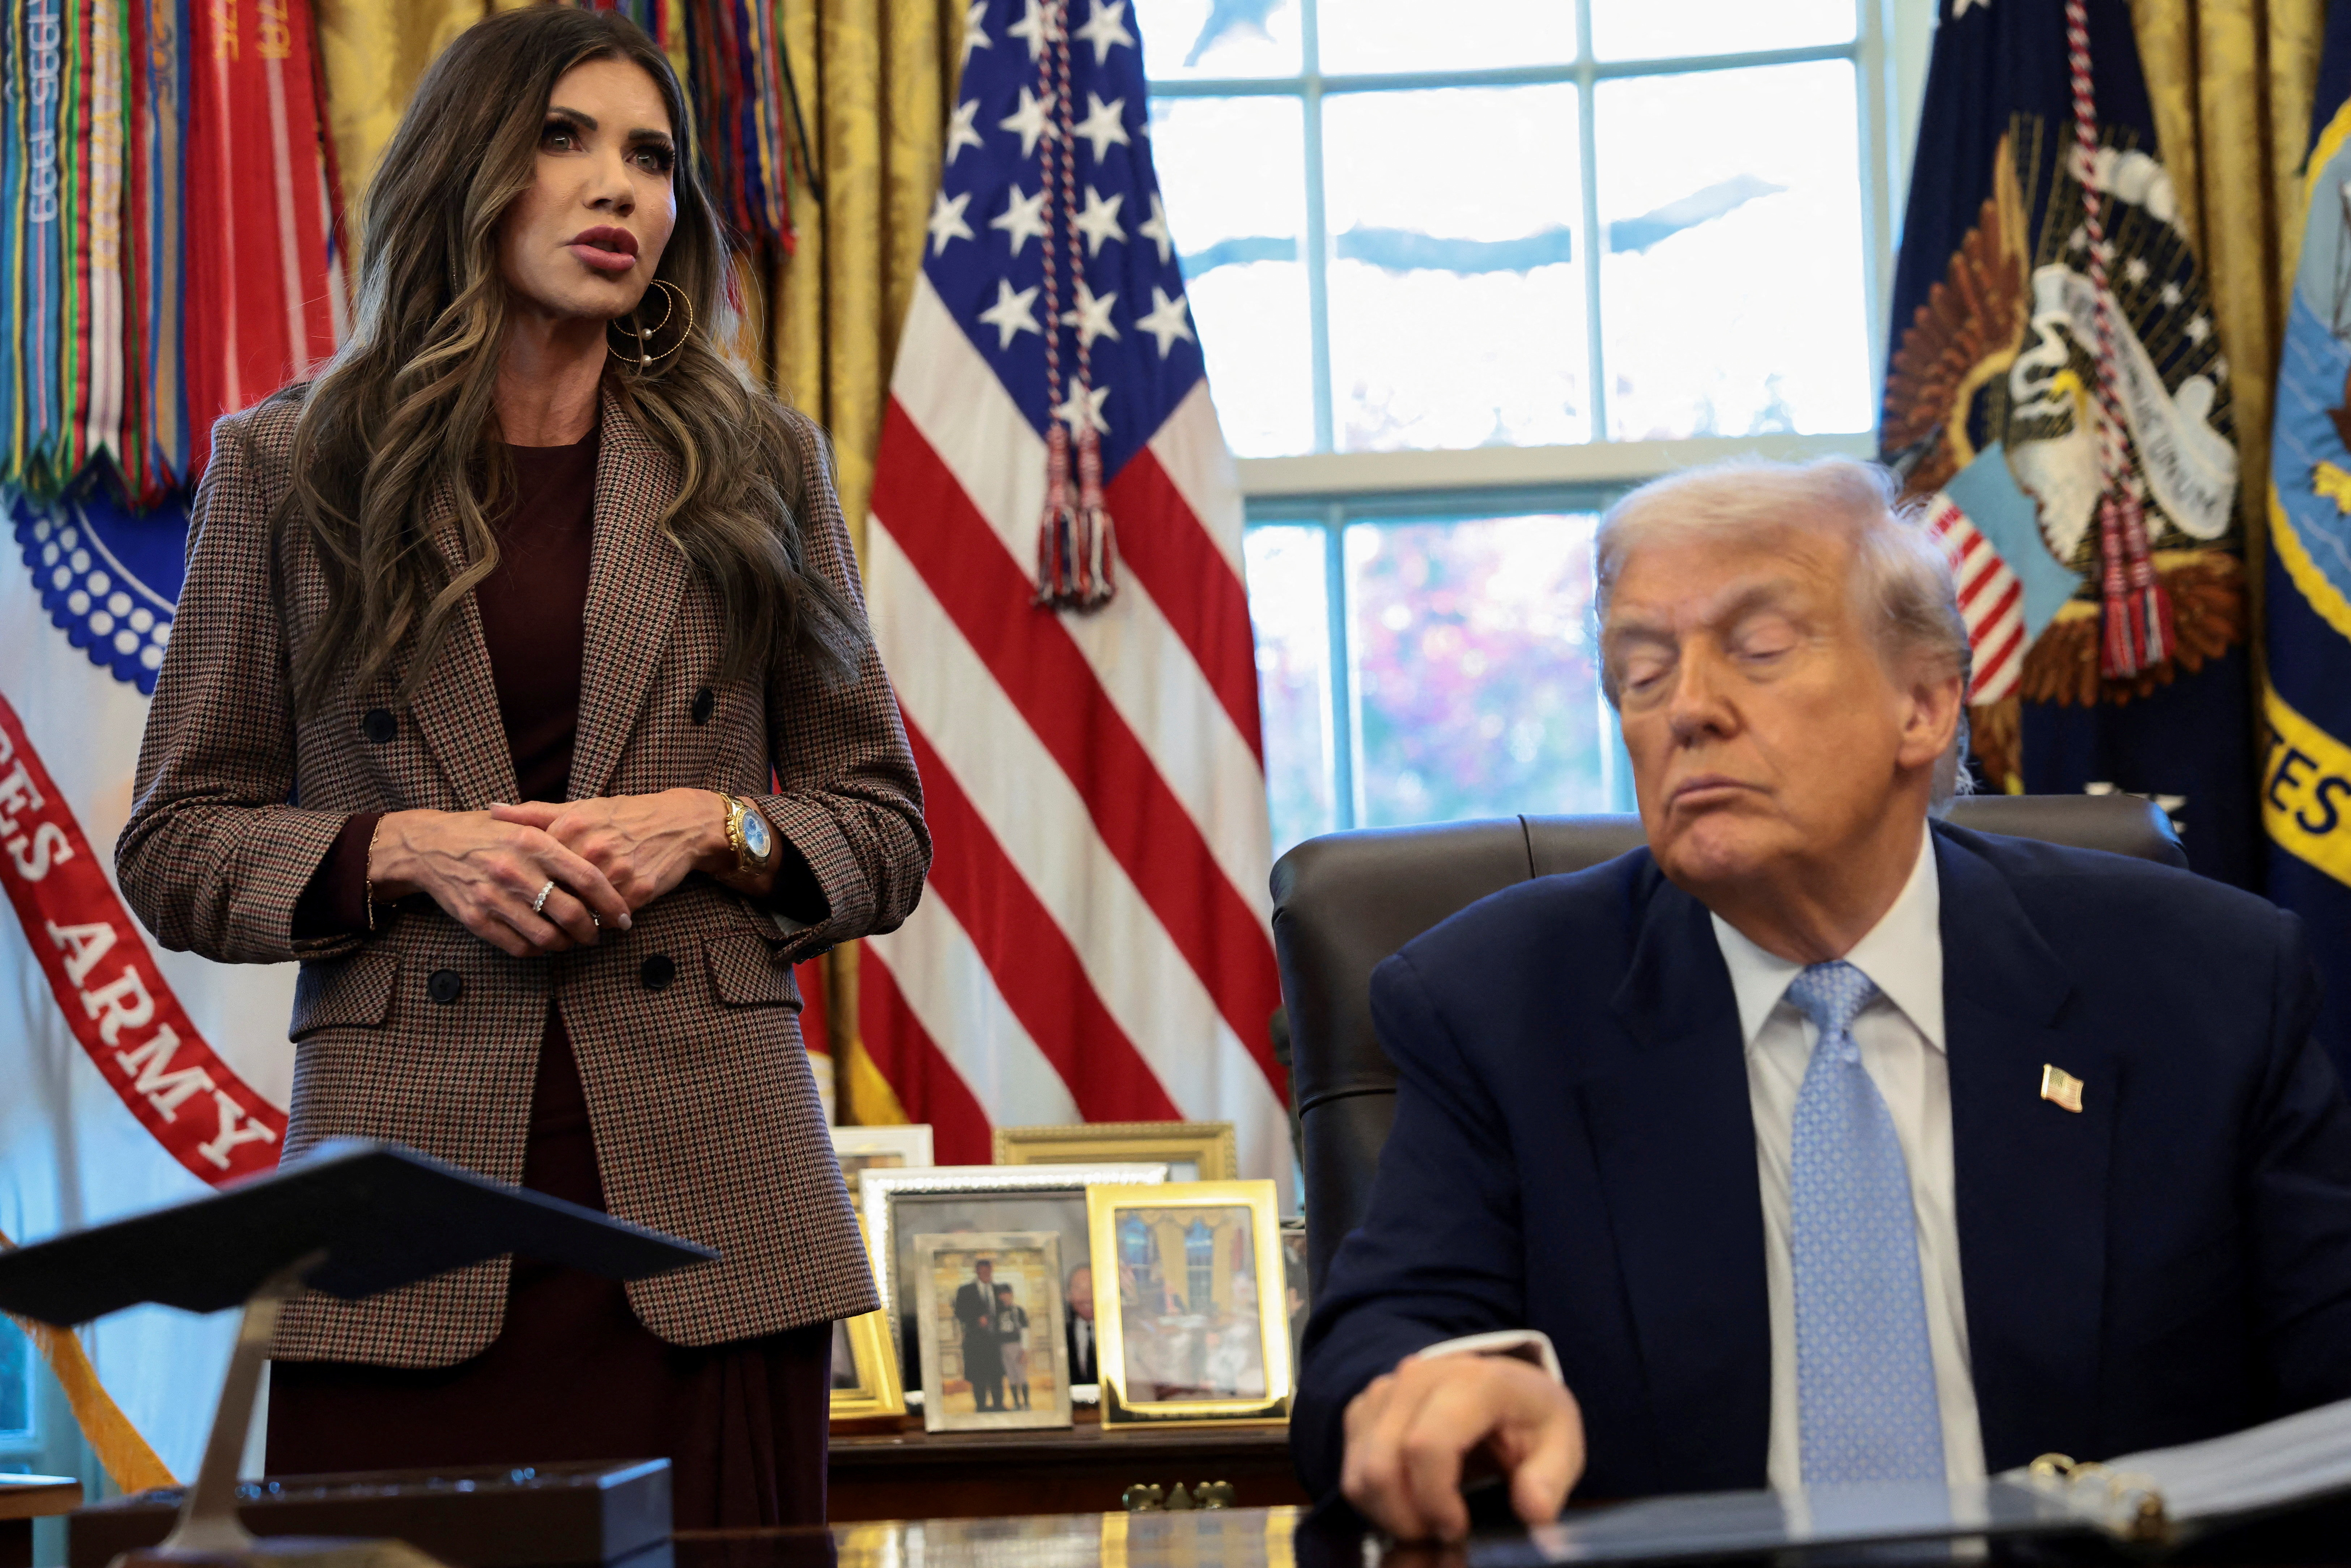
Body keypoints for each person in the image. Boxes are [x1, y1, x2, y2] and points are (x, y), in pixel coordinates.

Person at [112, 7, 928, 1530]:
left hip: (714, 1215)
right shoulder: (290, 466)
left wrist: (717, 823)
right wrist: (411, 849)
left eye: (651, 157)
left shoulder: (756, 462)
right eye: (566, 139)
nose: (617, 188)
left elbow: (881, 827)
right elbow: (179, 843)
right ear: (466, 171)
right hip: (406, 1204)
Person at [1293, 458, 2351, 1542]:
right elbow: (1371, 1351)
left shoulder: (2200, 986)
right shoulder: (1500, 1003)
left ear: (1926, 703)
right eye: (1641, 671)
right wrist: (1455, 1390)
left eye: (1756, 649)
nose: (1688, 708)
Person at [954, 1260, 1006, 1412]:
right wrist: (977, 1320)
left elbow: (1005, 1311)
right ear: (977, 1272)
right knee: (979, 1377)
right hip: (975, 1341)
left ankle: (998, 1405)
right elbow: (960, 1313)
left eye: (988, 1271)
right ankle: (981, 1406)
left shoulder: (999, 1289)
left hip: (996, 1341)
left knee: (997, 1375)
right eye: (982, 1272)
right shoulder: (965, 1290)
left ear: (992, 1271)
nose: (986, 1274)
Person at [996, 1283, 1032, 1410]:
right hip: (1003, 1347)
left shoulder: (1018, 1311)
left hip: (1017, 1346)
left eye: (1006, 1294)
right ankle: (1017, 1403)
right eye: (1001, 1295)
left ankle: (1027, 1403)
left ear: (1011, 1295)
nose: (1003, 1297)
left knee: (1021, 1376)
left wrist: (1025, 1350)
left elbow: (1025, 1331)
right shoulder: (997, 1312)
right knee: (1011, 1377)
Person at [1066, 1264, 1099, 1385]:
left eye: (1092, 1287)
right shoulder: (1062, 1336)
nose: (1087, 1297)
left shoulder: (1120, 1333)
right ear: (1068, 1296)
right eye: (1079, 1289)